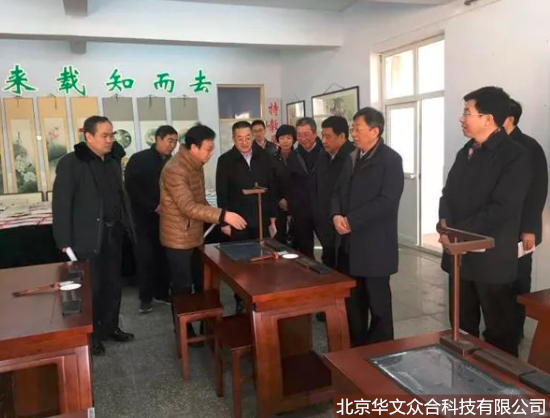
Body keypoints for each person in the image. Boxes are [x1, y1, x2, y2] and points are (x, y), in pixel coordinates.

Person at [439, 86, 531, 356]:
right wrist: (444, 225)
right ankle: (463, 377)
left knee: (499, 335)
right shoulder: (466, 151)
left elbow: (502, 207)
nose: (461, 118)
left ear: (488, 119)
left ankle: (501, 382)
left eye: (467, 112)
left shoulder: (515, 156)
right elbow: (448, 194)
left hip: (491, 260)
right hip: (460, 256)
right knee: (461, 329)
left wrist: (456, 232)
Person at [52, 115, 135, 356]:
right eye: (104, 136)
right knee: (93, 289)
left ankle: (111, 327)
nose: (110, 140)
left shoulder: (111, 161)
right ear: (88, 136)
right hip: (87, 237)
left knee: (113, 285)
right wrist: (63, 240)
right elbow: (61, 203)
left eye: (112, 135)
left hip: (113, 233)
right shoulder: (72, 162)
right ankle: (92, 336)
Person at [159, 124, 246, 337]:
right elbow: (188, 207)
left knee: (202, 283)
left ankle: (205, 326)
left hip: (195, 234)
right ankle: (184, 331)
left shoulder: (195, 164)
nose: (211, 153)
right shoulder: (175, 169)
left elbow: (200, 201)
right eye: (208, 149)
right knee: (182, 287)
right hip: (178, 238)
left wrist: (219, 221)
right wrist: (223, 215)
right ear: (193, 148)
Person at [331, 107, 404, 347]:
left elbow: (387, 201)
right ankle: (357, 350)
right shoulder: (352, 157)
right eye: (353, 128)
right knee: (353, 303)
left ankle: (383, 352)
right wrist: (336, 215)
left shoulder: (391, 160)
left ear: (375, 131)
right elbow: (337, 191)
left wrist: (352, 220)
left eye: (358, 128)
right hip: (349, 244)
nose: (353, 133)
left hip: (375, 246)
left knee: (378, 305)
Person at [216, 120, 277, 314]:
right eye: (240, 138)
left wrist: (272, 218)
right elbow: (221, 192)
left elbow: (272, 187)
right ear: (233, 139)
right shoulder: (225, 160)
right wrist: (224, 221)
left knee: (263, 259)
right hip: (238, 219)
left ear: (253, 136)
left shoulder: (264, 156)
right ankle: (240, 299)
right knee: (241, 263)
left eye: (248, 137)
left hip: (260, 217)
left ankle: (262, 296)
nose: (244, 142)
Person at [502, 98, 548, 342]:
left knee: (519, 279)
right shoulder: (494, 145)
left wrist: (529, 228)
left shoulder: (529, 147)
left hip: (521, 229)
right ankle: (501, 327)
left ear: (509, 119)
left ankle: (515, 330)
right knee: (499, 280)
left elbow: (537, 190)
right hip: (499, 227)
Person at [125, 125, 178, 314]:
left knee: (164, 257)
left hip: (167, 219)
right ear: (158, 139)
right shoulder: (139, 159)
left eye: (175, 142)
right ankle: (145, 298)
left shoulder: (172, 161)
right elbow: (131, 188)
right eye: (169, 141)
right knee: (145, 258)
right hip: (143, 218)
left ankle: (162, 293)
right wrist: (153, 206)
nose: (172, 145)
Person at [286, 117, 323, 258]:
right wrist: (292, 210)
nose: (303, 139)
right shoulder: (293, 156)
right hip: (301, 211)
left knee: (329, 247)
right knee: (305, 250)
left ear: (315, 133)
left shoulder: (325, 153)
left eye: (306, 134)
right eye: (299, 135)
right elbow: (290, 185)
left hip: (322, 210)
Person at [270, 124, 297, 245]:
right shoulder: (272, 158)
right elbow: (271, 182)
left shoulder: (299, 157)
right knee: (279, 238)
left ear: (294, 139)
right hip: (277, 204)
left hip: (296, 204)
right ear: (277, 140)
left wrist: (290, 201)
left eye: (288, 138)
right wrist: (279, 199)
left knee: (296, 238)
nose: (285, 141)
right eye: (282, 138)